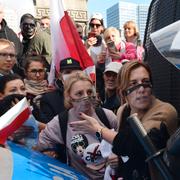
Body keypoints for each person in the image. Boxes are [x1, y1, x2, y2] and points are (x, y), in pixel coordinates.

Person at [69, 61, 178, 179]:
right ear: (123, 90)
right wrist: (118, 158)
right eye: (133, 83)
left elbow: (136, 143)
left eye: (146, 82)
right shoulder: (123, 110)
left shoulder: (165, 111)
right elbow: (122, 148)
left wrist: (98, 130)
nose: (141, 89)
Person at [37, 72, 118, 179]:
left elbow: (125, 145)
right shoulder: (61, 122)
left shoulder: (107, 116)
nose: (86, 97)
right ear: (69, 97)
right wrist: (48, 154)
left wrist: (119, 157)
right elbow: (39, 148)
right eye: (79, 94)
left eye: (89, 92)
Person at [0, 74, 40, 149]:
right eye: (13, 90)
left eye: (23, 89)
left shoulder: (33, 107)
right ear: (1, 95)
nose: (20, 93)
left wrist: (28, 114)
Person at [39, 57, 82, 123]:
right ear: (60, 76)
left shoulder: (88, 95)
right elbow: (49, 127)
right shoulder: (49, 99)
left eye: (76, 72)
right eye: (68, 72)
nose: (72, 76)